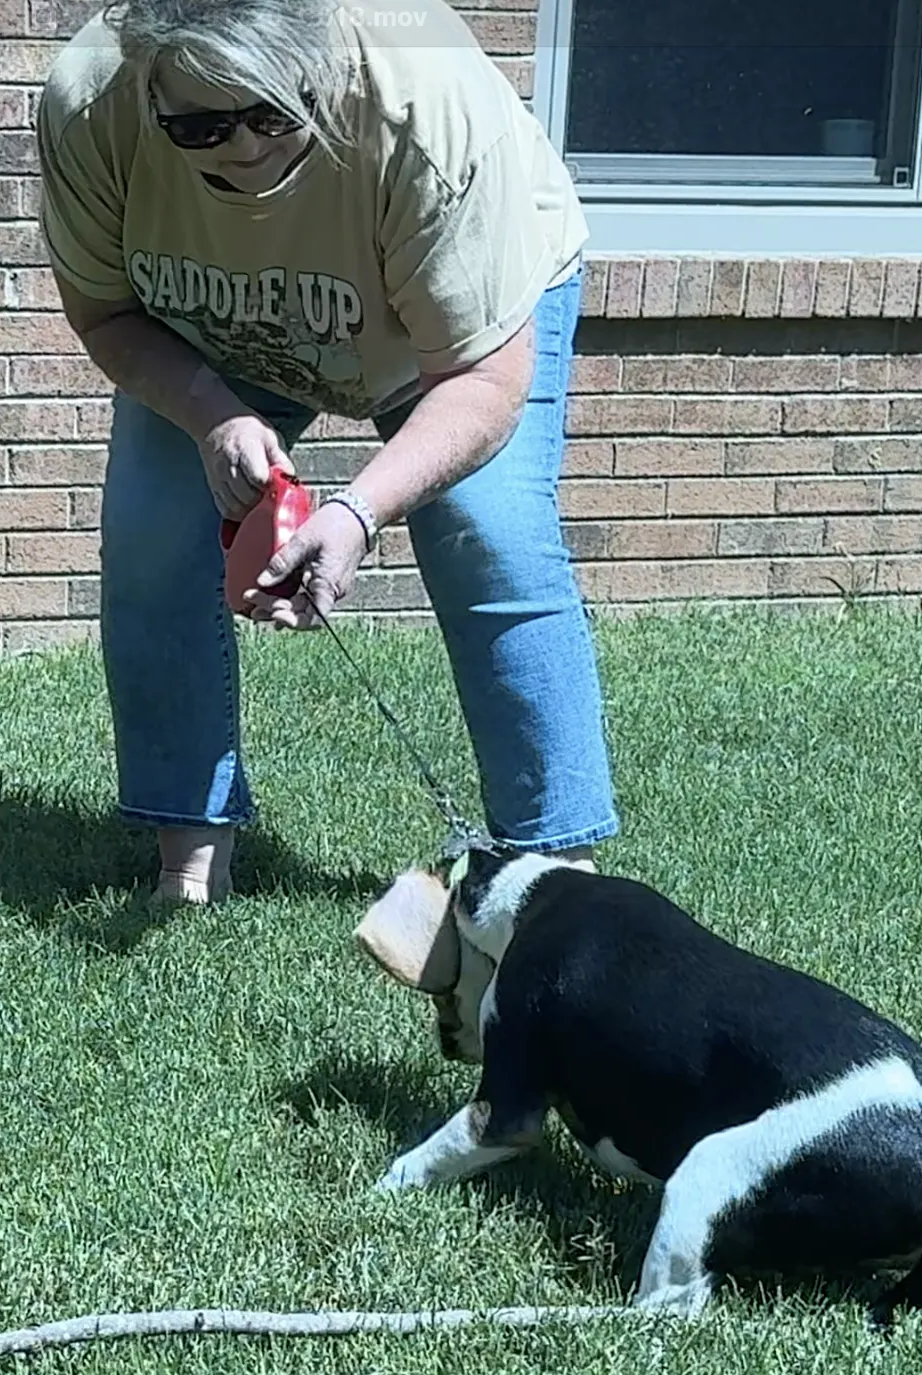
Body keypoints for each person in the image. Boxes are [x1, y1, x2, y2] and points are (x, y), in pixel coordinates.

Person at [36, 0, 618, 903]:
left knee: (487, 529)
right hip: (219, 328)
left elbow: (483, 383)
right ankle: (188, 863)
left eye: (275, 117)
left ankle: (557, 882)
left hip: (450, 330)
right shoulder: (91, 102)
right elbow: (105, 311)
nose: (243, 152)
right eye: (201, 126)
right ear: (149, 86)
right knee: (152, 532)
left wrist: (357, 512)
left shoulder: (425, 107)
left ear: (323, 69)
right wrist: (211, 415)